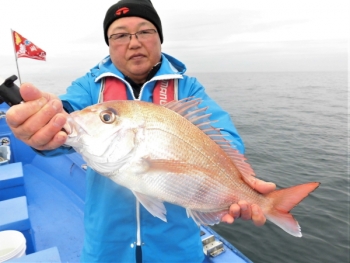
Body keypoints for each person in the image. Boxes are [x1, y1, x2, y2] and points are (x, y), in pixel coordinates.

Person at [6, 0, 276, 262]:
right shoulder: (90, 87)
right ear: (109, 46)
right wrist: (43, 127)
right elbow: (66, 117)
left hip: (176, 250)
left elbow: (225, 137)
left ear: (159, 38)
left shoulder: (188, 89)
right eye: (120, 35)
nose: (134, 42)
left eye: (145, 31)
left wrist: (240, 183)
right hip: (105, 249)